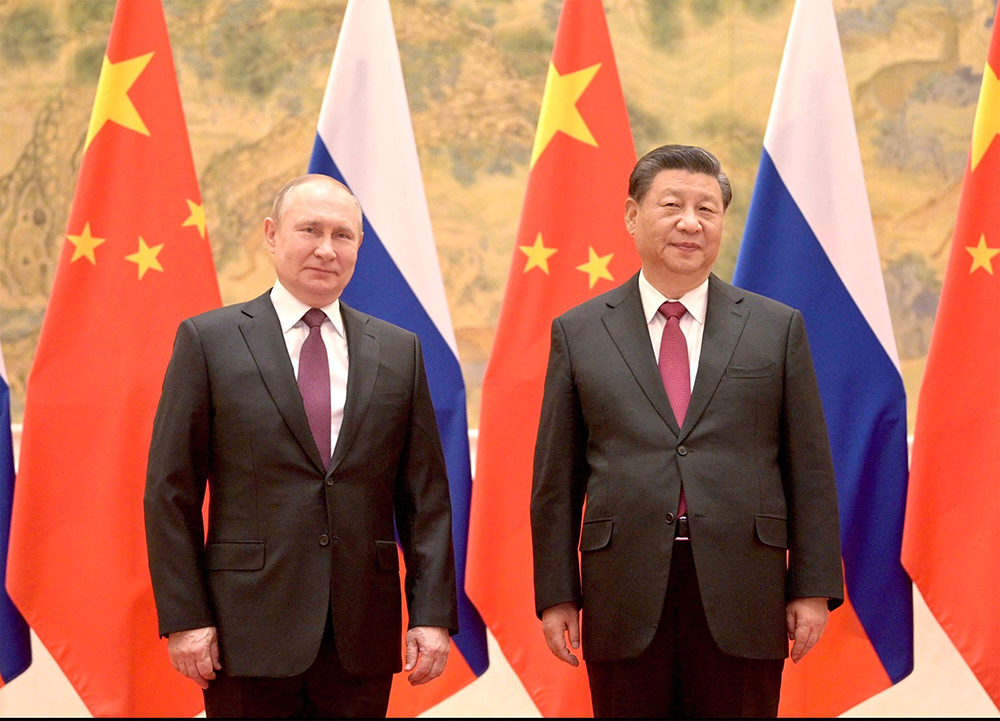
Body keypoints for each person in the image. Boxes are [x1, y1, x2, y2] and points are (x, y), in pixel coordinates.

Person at [530, 145, 843, 718]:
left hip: (745, 586)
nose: (690, 222)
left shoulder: (776, 328)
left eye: (707, 208)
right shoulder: (579, 332)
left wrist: (812, 585)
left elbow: (811, 469)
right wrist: (556, 594)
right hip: (622, 588)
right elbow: (556, 479)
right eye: (671, 204)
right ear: (631, 215)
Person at [144, 174, 458, 718]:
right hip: (246, 630)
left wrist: (430, 615)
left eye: (343, 235)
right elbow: (170, 492)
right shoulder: (209, 341)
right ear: (271, 234)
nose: (325, 249)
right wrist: (186, 618)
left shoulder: (399, 351)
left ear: (359, 246)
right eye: (309, 230)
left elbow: (425, 500)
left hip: (360, 631)